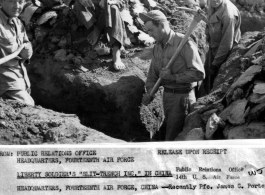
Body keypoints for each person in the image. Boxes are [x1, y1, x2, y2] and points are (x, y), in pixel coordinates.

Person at [140, 10, 205, 141]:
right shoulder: (157, 48)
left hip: (182, 99)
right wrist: (150, 93)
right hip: (167, 97)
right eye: (148, 31)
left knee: (174, 139)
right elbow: (152, 76)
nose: (149, 34)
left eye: (151, 30)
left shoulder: (184, 43)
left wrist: (173, 77)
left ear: (161, 25)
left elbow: (199, 73)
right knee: (168, 132)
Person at [72, 0, 127, 70]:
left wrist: (111, 1)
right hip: (91, 11)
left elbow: (123, 1)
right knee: (77, 4)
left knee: (112, 8)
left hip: (110, 13)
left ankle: (116, 52)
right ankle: (95, 30)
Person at [0, 0, 34, 106]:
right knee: (28, 105)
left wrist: (28, 51)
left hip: (21, 78)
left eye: (20, 1)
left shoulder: (17, 22)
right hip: (6, 82)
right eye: (12, 1)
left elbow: (26, 43)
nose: (17, 6)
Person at [206, 0, 241, 89]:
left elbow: (227, 43)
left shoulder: (228, 16)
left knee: (217, 85)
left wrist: (214, 65)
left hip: (225, 56)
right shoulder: (213, 5)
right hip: (214, 49)